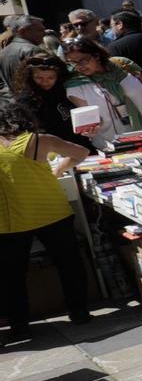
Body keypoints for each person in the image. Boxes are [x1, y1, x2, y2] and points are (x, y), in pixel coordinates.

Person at [0, 99, 92, 339]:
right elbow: (81, 152)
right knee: (69, 264)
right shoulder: (41, 140)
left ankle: (20, 325)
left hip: (10, 220)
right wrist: (59, 169)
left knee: (13, 276)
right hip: (51, 210)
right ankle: (79, 312)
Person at [61, 37, 142, 146]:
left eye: (83, 60)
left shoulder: (122, 69)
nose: (79, 66)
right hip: (111, 143)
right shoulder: (75, 85)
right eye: (72, 63)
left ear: (96, 55)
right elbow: (90, 116)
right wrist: (91, 126)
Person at [12, 50, 88, 146]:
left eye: (50, 78)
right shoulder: (25, 100)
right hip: (49, 149)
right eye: (39, 78)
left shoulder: (68, 91)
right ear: (30, 76)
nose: (45, 82)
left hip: (79, 145)